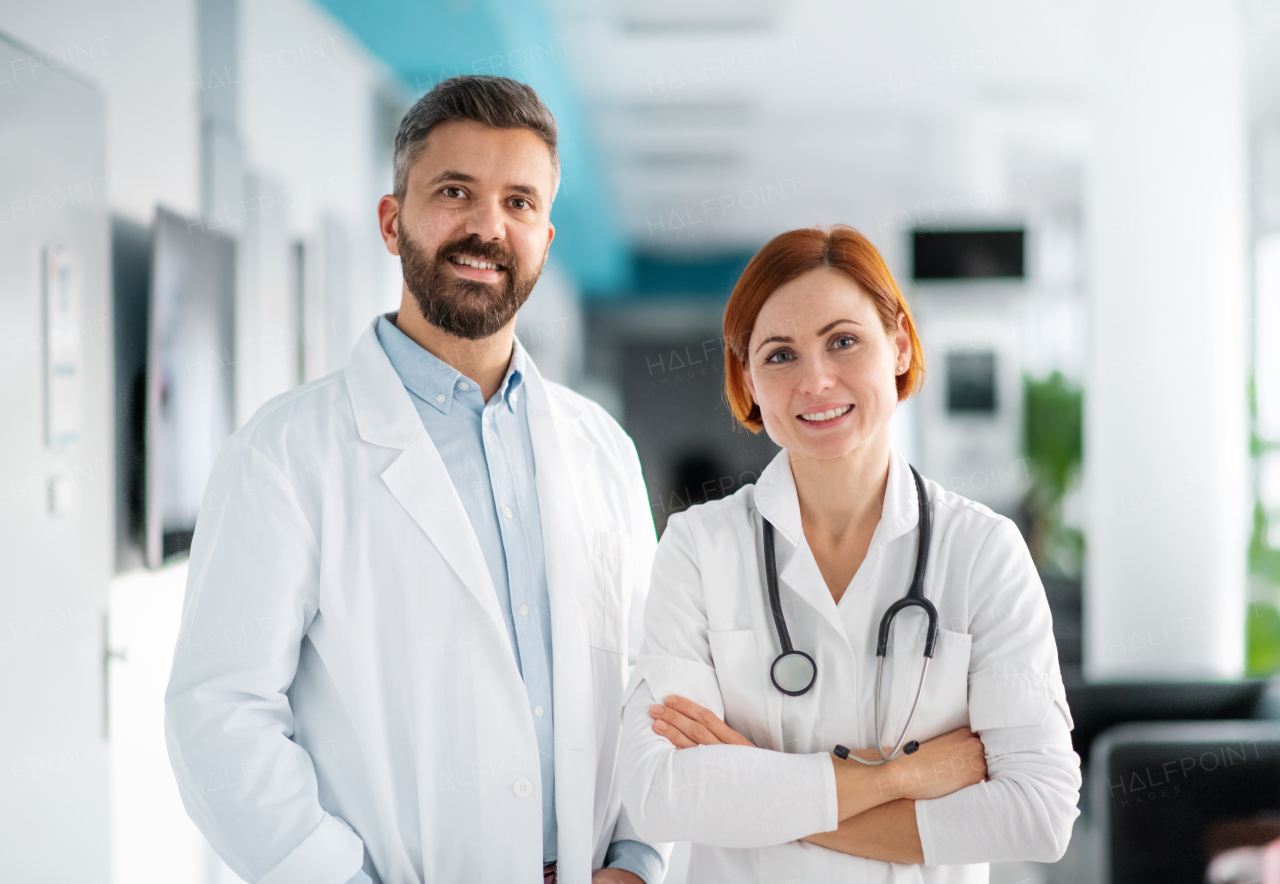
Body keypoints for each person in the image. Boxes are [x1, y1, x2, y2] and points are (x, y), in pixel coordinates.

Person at [164, 76, 665, 884]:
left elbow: (653, 676)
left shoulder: (600, 448)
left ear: (545, 235)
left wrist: (639, 858)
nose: (487, 228)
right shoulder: (286, 455)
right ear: (393, 223)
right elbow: (218, 715)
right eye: (455, 192)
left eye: (519, 203)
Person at [616, 226, 1081, 881]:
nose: (816, 380)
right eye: (780, 355)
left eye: (843, 341)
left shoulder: (981, 552)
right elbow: (664, 795)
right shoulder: (698, 548)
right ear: (746, 379)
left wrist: (759, 797)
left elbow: (1040, 813)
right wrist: (906, 775)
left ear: (898, 345)